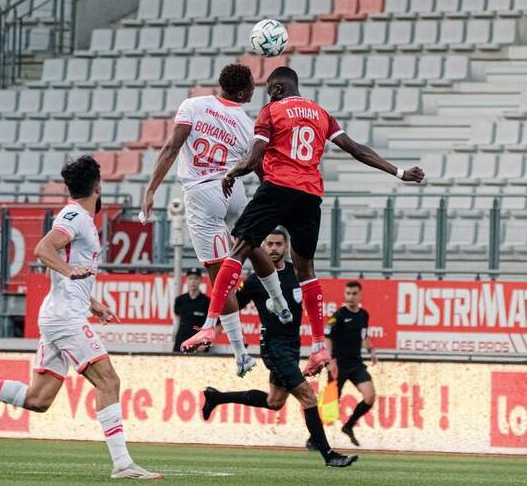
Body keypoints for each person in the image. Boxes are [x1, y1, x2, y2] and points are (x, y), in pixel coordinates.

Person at [180, 65, 424, 380]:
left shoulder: (272, 111)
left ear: (278, 89)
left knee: (238, 249)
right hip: (309, 195)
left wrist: (232, 172)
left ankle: (210, 327)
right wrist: (399, 172)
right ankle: (319, 346)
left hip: (278, 187)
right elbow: (355, 150)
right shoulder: (322, 114)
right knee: (306, 270)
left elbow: (254, 157)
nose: (267, 95)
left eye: (269, 90)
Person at [0, 155, 161, 480]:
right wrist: (70, 272)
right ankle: (122, 464)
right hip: (65, 318)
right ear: (98, 184)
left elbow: (69, 263)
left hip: (59, 313)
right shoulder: (75, 216)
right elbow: (42, 249)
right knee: (109, 381)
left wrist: (92, 301)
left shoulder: (78, 217)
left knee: (38, 399)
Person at [141, 63, 292, 377]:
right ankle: (279, 301)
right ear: (241, 92)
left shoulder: (192, 105)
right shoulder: (246, 123)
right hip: (233, 188)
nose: (255, 90)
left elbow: (172, 146)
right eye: (252, 86)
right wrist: (271, 198)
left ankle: (240, 353)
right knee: (250, 245)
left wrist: (151, 188)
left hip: (201, 193)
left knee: (218, 273)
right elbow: (260, 167)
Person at [200, 228, 357, 468]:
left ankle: (217, 397)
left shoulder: (298, 274)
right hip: (273, 347)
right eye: (269, 244)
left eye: (278, 244)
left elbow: (313, 304)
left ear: (286, 247)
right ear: (263, 246)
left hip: (292, 346)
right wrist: (213, 330)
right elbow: (230, 305)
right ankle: (329, 455)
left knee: (275, 402)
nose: (273, 249)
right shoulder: (256, 280)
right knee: (308, 396)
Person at [326, 280, 375, 447]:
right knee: (330, 406)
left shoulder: (364, 315)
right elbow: (328, 338)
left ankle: (349, 425)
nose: (350, 297)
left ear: (360, 295)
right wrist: (331, 361)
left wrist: (371, 350)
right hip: (338, 365)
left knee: (369, 397)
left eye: (354, 294)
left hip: (356, 364)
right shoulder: (338, 316)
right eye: (348, 293)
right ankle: (314, 438)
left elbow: (364, 336)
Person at [173, 267, 210, 352]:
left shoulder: (207, 302)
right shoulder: (180, 300)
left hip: (198, 344)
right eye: (190, 278)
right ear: (186, 280)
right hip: (181, 342)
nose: (193, 281)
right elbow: (178, 319)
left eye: (196, 278)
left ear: (201, 280)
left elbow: (212, 326)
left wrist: (204, 344)